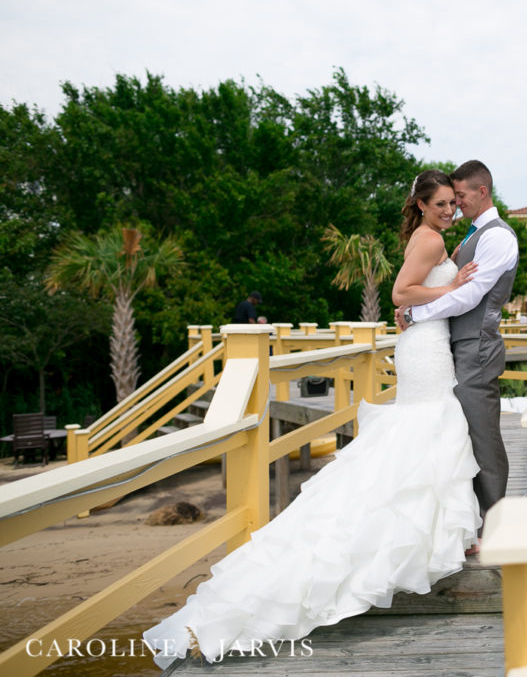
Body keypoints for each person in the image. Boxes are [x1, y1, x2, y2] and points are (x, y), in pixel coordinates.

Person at [143, 170, 481, 667]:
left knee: (425, 436)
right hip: (426, 351)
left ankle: (434, 537)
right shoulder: (429, 242)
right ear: (424, 205)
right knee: (430, 430)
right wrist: (450, 284)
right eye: (443, 204)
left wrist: (435, 298)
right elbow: (400, 295)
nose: (450, 211)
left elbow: (410, 301)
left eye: (454, 203)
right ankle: (428, 539)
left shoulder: (426, 237)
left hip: (426, 346)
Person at [397, 160, 519, 536]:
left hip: (476, 346)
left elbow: (469, 296)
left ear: (482, 192)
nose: (455, 206)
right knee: (458, 434)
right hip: (451, 348)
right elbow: (441, 282)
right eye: (447, 201)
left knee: (483, 437)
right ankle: (461, 524)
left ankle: (494, 527)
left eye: (460, 197)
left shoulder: (497, 237)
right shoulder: (468, 236)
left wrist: (417, 314)